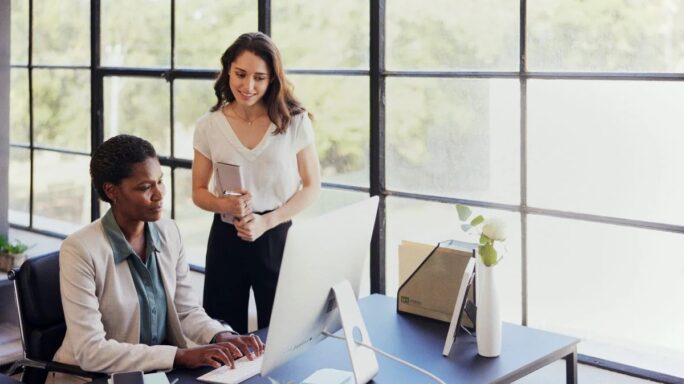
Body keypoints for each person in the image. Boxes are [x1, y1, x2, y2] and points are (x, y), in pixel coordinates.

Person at [50, 134, 264, 383]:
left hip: (156, 375)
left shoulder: (168, 231)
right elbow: (91, 352)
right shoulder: (80, 249)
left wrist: (220, 336)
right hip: (93, 378)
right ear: (112, 191)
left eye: (160, 182)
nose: (159, 195)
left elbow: (186, 310)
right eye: (145, 187)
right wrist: (179, 356)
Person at [192, 32, 321, 334]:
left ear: (272, 80)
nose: (248, 86)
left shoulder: (293, 121)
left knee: (282, 335)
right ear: (227, 70)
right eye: (240, 74)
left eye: (259, 78)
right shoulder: (209, 125)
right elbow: (198, 192)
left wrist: (267, 222)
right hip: (226, 237)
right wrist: (223, 203)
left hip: (276, 237)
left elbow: (313, 186)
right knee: (223, 336)